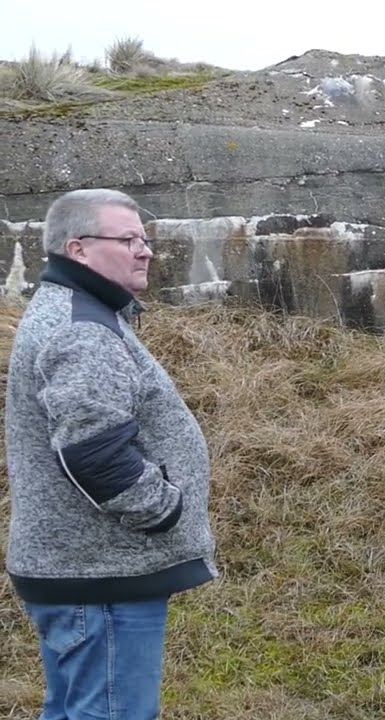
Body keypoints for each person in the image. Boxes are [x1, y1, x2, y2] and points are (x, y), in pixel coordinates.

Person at [4, 188, 217, 720]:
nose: (144, 250)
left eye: (143, 239)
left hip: (87, 571)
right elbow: (93, 453)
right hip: (103, 575)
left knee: (78, 709)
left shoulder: (82, 312)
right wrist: (164, 510)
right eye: (128, 239)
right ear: (78, 249)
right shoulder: (81, 329)